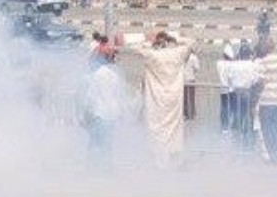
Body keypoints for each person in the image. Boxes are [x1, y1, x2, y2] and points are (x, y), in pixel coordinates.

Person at [125, 31, 193, 167]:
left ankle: (159, 159)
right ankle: (172, 157)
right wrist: (176, 37)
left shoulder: (153, 55)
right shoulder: (178, 53)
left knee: (156, 127)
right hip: (173, 97)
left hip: (156, 97)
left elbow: (135, 47)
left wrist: (147, 40)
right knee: (173, 128)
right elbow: (191, 42)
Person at [78, 44, 127, 170]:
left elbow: (90, 98)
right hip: (111, 114)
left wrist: (84, 116)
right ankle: (107, 167)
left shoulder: (95, 75)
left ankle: (93, 168)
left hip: (98, 113)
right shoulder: (114, 76)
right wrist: (120, 114)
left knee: (95, 142)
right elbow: (119, 96)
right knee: (107, 142)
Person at [254, 40, 277, 163]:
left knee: (267, 129)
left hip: (266, 100)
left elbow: (259, 81)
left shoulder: (263, 62)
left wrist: (256, 94)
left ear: (266, 49)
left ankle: (271, 154)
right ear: (275, 48)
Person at [216, 44, 236, 135]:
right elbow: (231, 77)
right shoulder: (231, 65)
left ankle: (224, 127)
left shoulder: (219, 63)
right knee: (232, 108)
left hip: (223, 89)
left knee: (224, 108)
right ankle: (232, 126)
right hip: (231, 89)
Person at [182, 49, 200, 121]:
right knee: (191, 97)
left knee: (185, 97)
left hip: (183, 79)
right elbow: (197, 68)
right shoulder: (193, 57)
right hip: (191, 78)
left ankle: (186, 113)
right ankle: (191, 113)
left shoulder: (182, 55)